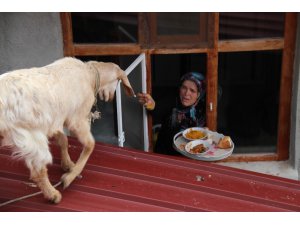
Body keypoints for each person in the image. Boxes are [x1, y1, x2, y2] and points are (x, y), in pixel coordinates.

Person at [137, 72, 206, 155]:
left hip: (192, 156)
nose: (187, 93)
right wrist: (152, 105)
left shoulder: (203, 108)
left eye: (192, 90)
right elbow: (159, 108)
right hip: (166, 154)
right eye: (184, 87)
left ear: (199, 94)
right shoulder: (172, 99)